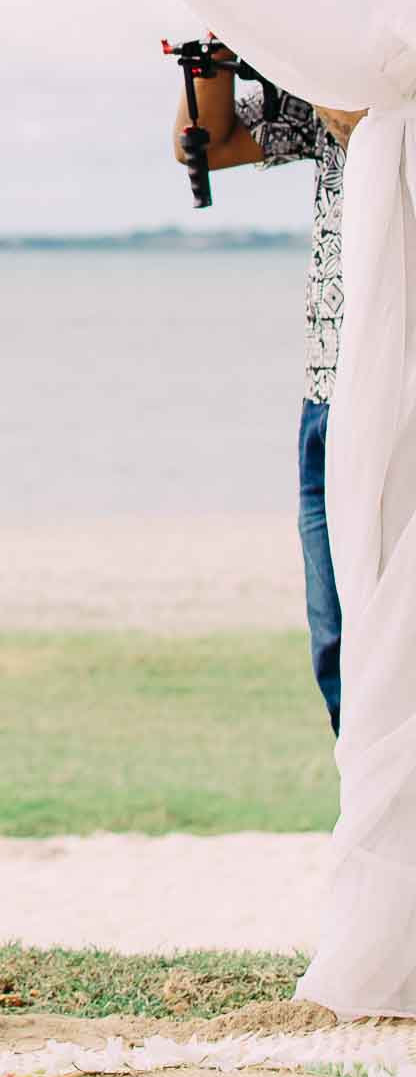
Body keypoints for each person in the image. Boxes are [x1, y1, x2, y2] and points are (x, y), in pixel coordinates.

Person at [172, 54, 361, 733]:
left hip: (392, 389)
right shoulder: (344, 69)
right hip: (329, 391)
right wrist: (220, 54)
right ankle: (378, 830)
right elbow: (208, 142)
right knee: (339, 650)